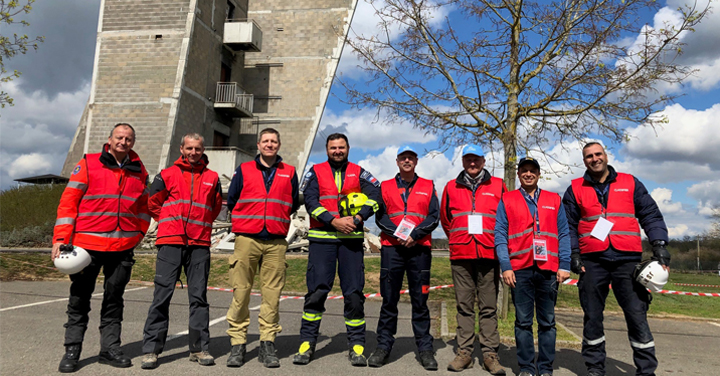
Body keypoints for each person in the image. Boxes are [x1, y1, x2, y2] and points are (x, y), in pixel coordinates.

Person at [563, 142, 670, 376]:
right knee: (592, 316)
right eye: (589, 156)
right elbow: (568, 226)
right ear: (584, 161)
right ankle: (594, 368)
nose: (594, 159)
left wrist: (659, 244)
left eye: (598, 154)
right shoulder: (574, 189)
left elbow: (650, 214)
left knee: (636, 314)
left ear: (606, 156)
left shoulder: (630, 183)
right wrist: (573, 254)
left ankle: (646, 370)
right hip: (592, 261)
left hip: (628, 260)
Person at [52, 123, 150, 373]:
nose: (123, 142)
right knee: (79, 300)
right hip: (87, 247)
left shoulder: (139, 170)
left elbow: (143, 207)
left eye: (128, 138)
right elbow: (68, 203)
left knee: (114, 301)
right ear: (109, 139)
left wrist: (138, 233)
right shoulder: (88, 163)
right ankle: (72, 351)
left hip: (122, 248)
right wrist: (61, 238)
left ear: (133, 142)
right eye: (119, 137)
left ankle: (110, 349)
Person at [293, 133, 381, 367]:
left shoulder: (359, 171)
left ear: (348, 148)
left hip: (351, 240)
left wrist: (360, 216)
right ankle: (307, 342)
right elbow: (309, 201)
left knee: (353, 293)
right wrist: (333, 221)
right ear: (327, 149)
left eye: (341, 147)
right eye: (333, 147)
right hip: (323, 240)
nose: (337, 151)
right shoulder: (315, 171)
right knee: (317, 291)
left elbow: (376, 196)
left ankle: (357, 345)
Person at [140, 133, 223, 369]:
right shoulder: (166, 175)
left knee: (199, 297)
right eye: (189, 148)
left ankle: (199, 349)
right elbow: (153, 203)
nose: (193, 152)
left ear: (203, 149)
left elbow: (214, 208)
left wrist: (198, 225)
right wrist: (169, 222)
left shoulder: (213, 177)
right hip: (170, 241)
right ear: (181, 149)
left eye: (198, 148)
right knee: (162, 296)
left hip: (199, 244)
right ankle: (151, 350)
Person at [225, 128, 300, 368]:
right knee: (241, 292)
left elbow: (290, 203)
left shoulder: (289, 172)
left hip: (276, 241)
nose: (269, 145)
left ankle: (267, 343)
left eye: (273, 141)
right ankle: (238, 344)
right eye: (265, 141)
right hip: (247, 238)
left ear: (279, 145)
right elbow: (233, 199)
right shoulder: (244, 170)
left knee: (272, 296)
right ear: (258, 145)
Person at [494, 157, 571, 376]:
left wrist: (564, 264)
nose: (528, 174)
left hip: (548, 269)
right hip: (520, 269)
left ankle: (545, 368)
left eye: (532, 171)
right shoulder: (507, 199)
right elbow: (500, 234)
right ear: (518, 174)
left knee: (547, 322)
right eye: (524, 170)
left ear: (539, 174)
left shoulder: (554, 199)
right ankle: (527, 368)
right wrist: (505, 266)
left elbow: (564, 233)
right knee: (523, 322)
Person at [368, 145, 440, 370]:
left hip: (419, 249)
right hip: (392, 248)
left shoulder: (428, 186)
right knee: (389, 301)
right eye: (403, 158)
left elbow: (434, 216)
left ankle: (425, 349)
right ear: (397, 161)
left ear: (416, 161)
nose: (407, 161)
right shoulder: (385, 186)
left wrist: (415, 235)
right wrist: (399, 235)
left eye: (411, 157)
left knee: (420, 302)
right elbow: (380, 217)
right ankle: (383, 346)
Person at [440, 144, 507, 374]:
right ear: (462, 161)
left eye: (476, 159)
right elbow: (446, 220)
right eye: (468, 159)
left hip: (489, 253)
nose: (472, 163)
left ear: (483, 161)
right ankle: (465, 353)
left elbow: (506, 217)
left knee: (488, 307)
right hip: (461, 254)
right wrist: (458, 237)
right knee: (464, 306)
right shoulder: (450, 186)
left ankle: (490, 354)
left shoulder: (498, 185)